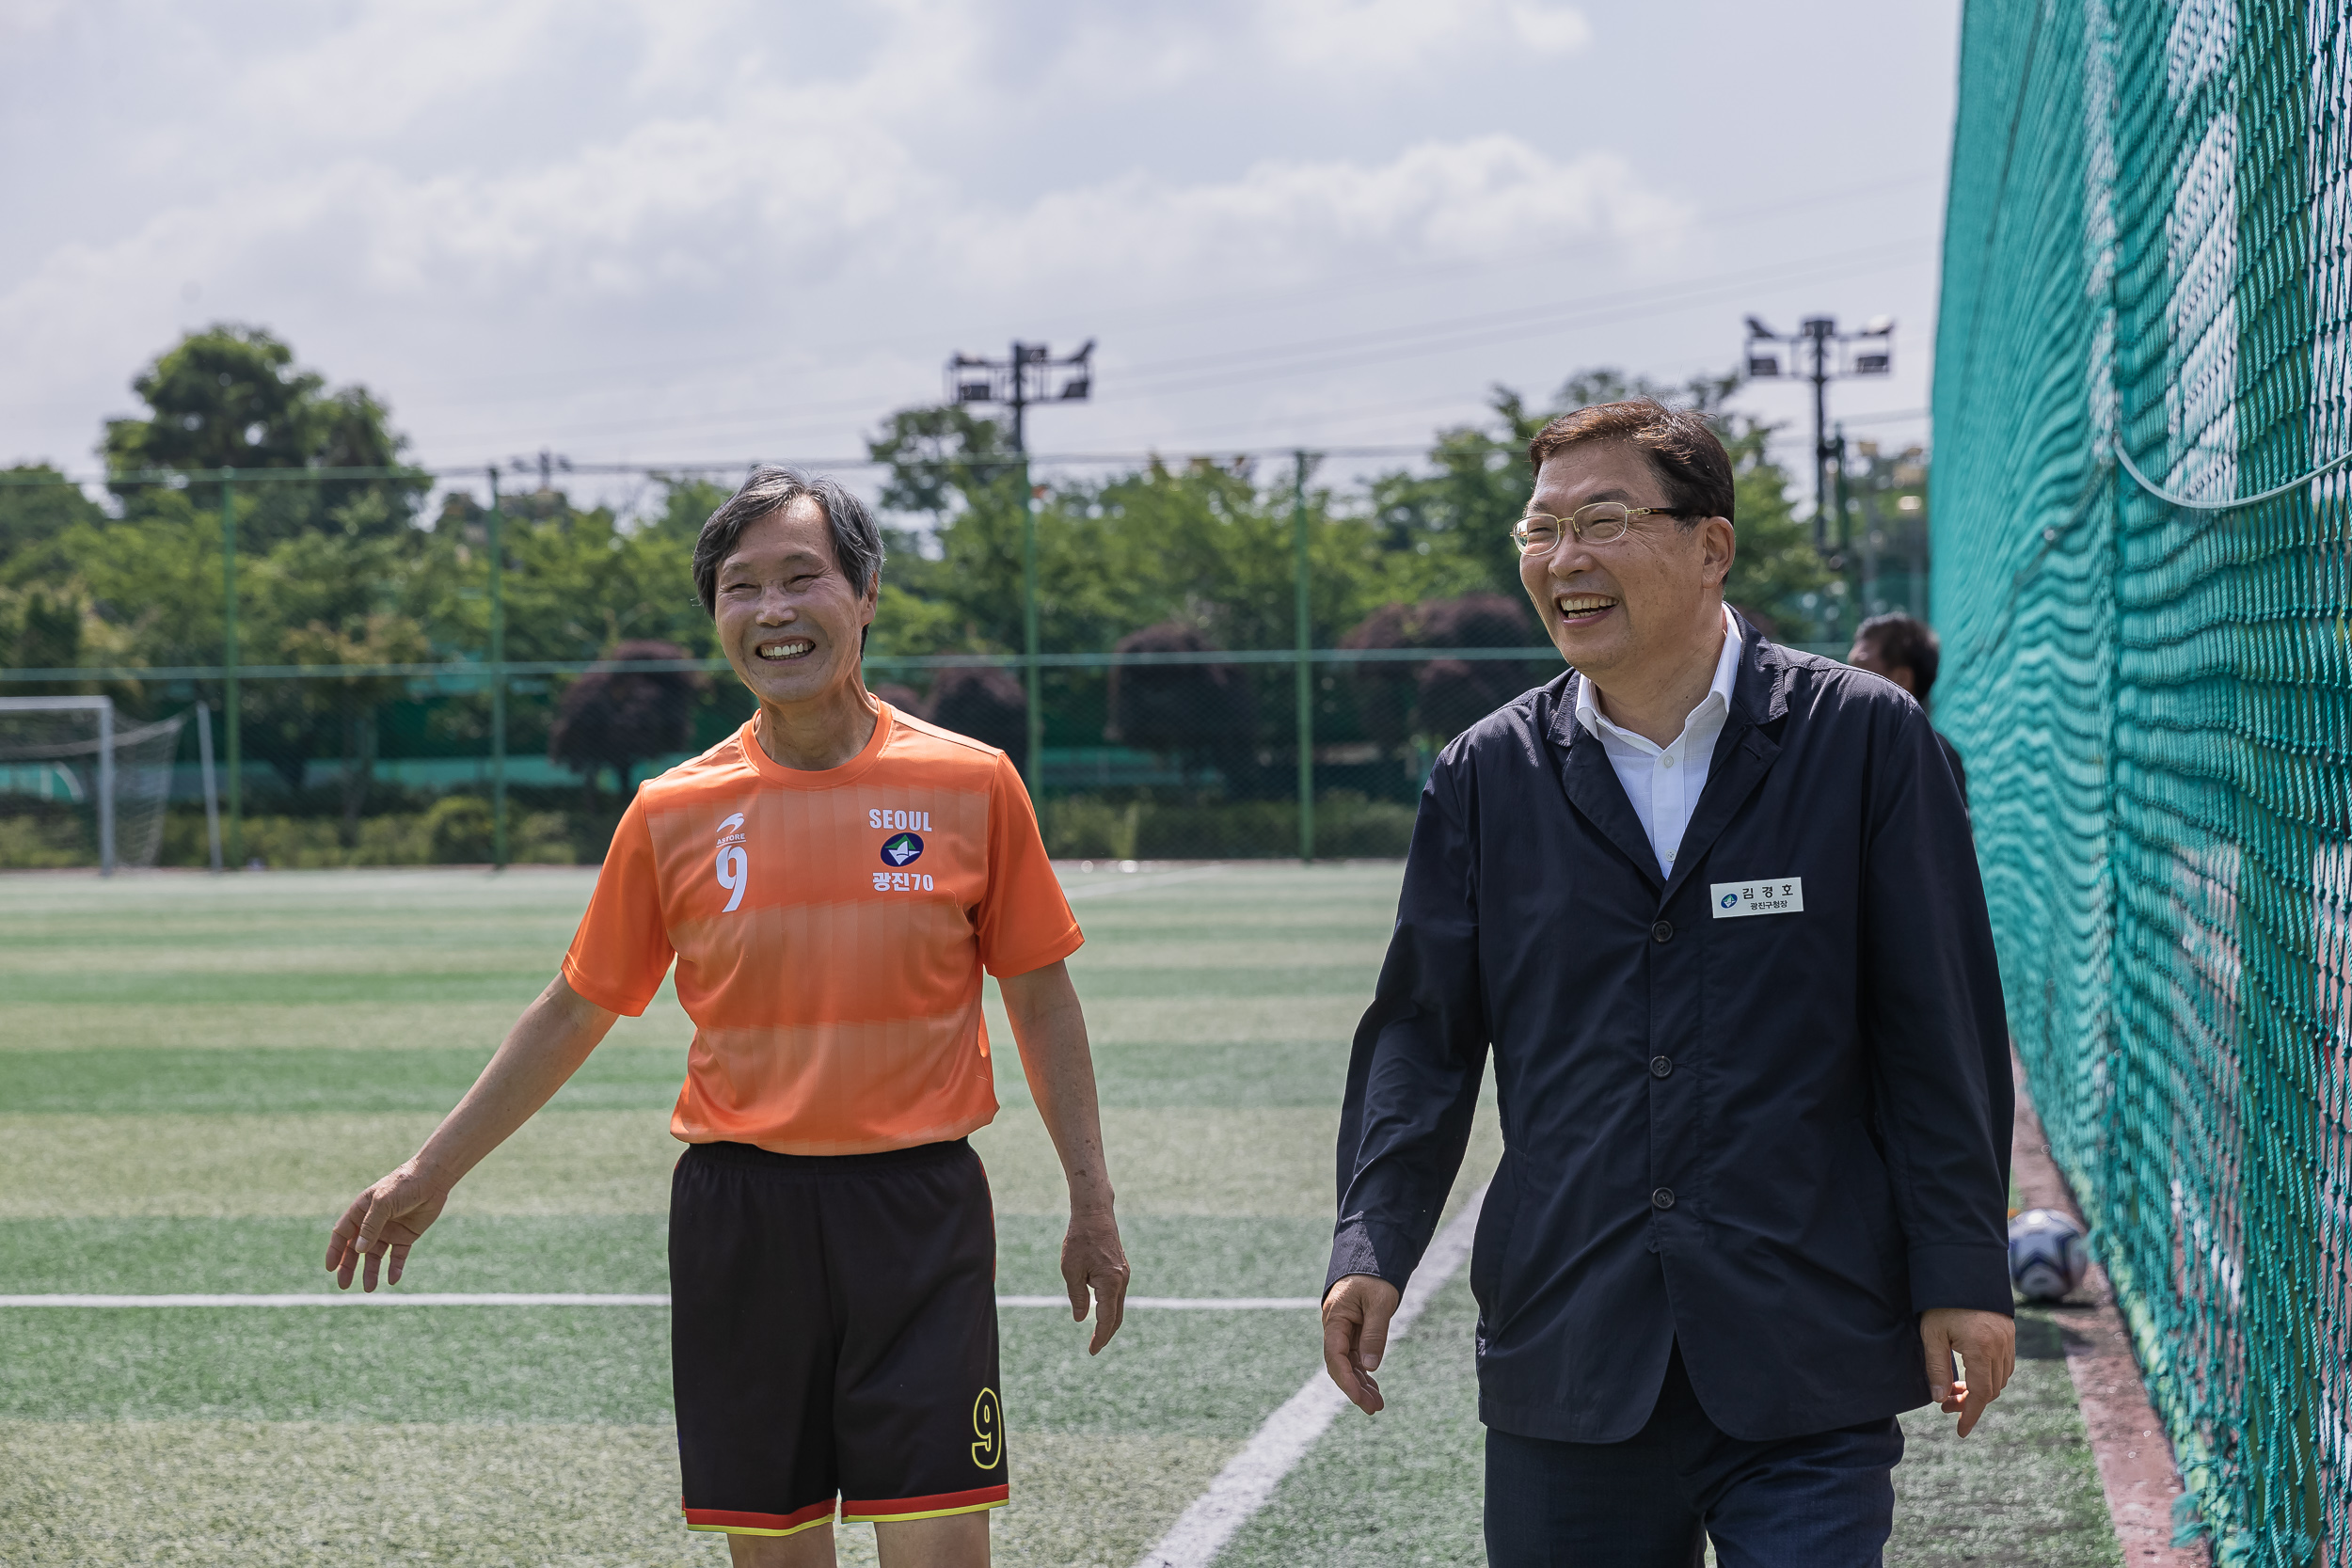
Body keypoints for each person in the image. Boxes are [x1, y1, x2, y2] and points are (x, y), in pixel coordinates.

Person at [326, 467, 1129, 1568]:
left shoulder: (971, 783)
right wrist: (429, 1170)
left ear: (866, 592)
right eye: (740, 588)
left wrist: (1091, 1198)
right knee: (776, 1553)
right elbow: (576, 1005)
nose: (773, 612)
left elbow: (1039, 991)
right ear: (716, 617)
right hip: (739, 1216)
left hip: (920, 1210)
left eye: (803, 578)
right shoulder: (675, 809)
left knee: (941, 1548)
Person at [1319, 400, 2014, 1567]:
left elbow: (1936, 1028)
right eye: (1539, 532)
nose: (1564, 560)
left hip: (1809, 1347)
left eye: (1602, 520)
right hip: (1570, 1348)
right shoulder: (1486, 774)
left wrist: (1963, 1268)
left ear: (1711, 546)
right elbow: (1424, 1038)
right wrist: (1370, 1237)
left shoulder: (1865, 741)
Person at [1847, 612, 1967, 807]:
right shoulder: (1856, 745)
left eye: (1861, 667)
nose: (1846, 678)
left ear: (1902, 679)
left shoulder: (1931, 754)